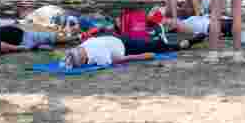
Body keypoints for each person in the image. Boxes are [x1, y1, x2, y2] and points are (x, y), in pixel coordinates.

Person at [63, 34, 203, 69]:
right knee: (153, 45)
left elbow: (121, 59)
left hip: (125, 46)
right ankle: (178, 44)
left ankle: (181, 45)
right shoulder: (83, 46)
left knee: (156, 46)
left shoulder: (98, 55)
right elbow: (120, 59)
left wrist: (140, 57)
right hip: (118, 40)